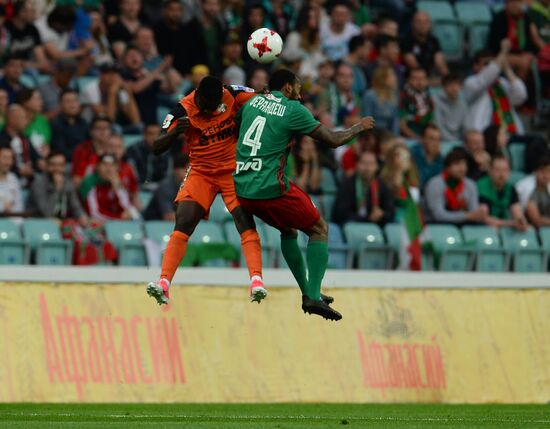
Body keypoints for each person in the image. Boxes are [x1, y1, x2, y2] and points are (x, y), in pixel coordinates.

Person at [233, 69, 375, 321]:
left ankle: (310, 292)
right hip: (270, 187)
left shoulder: (252, 102)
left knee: (288, 230)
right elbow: (332, 139)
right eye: (298, 87)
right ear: (287, 87)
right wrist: (358, 127)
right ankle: (312, 295)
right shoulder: (292, 109)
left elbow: (237, 130)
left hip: (243, 189)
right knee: (319, 228)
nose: (300, 92)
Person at [146, 76, 264, 306]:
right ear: (198, 95)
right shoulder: (181, 109)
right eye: (207, 106)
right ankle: (164, 283)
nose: (211, 110)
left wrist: (270, 95)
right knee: (184, 221)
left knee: (244, 220)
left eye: (215, 106)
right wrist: (173, 133)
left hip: (232, 170)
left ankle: (256, 281)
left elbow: (262, 99)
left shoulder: (233, 93)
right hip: (202, 173)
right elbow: (157, 147)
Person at [463, 42, 527, 134]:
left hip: (508, 132)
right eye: (486, 64)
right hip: (481, 135)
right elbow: (487, 76)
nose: (490, 66)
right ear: (475, 66)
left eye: (492, 63)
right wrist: (503, 51)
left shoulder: (502, 83)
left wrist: (507, 68)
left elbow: (521, 95)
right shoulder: (470, 82)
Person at [423, 148, 487, 225]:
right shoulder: (435, 184)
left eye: (464, 164)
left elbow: (474, 213)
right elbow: (438, 215)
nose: (462, 168)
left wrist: (480, 212)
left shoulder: (470, 185)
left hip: (462, 227)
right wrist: (466, 216)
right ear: (447, 168)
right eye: (457, 164)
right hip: (437, 226)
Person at [333, 151, 394, 225]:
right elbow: (340, 213)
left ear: (377, 167)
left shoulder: (381, 186)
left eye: (371, 164)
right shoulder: (347, 184)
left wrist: (382, 214)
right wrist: (367, 219)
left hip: (375, 228)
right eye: (363, 163)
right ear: (357, 165)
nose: (367, 167)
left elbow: (391, 211)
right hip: (353, 227)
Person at [27, 152, 87, 225]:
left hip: (60, 223)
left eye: (60, 165)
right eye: (53, 165)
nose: (57, 168)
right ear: (46, 166)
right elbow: (46, 212)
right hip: (39, 223)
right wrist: (57, 188)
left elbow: (75, 206)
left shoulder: (67, 182)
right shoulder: (38, 183)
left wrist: (82, 216)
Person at [154, 0, 208, 76]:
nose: (175, 13)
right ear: (165, 11)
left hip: (189, 75)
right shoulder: (156, 30)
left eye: (178, 10)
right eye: (172, 10)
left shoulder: (188, 31)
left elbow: (196, 54)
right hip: (166, 74)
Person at [80, 62, 141, 129]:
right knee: (115, 128)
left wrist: (129, 93)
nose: (114, 77)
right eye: (110, 73)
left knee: (139, 127)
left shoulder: (119, 89)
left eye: (116, 73)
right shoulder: (91, 89)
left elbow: (136, 121)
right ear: (101, 75)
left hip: (111, 127)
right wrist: (112, 93)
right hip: (90, 127)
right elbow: (108, 122)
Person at [487, 0, 537, 80]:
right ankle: (518, 89)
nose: (515, 5)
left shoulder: (525, 18)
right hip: (501, 54)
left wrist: (529, 54)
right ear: (506, 4)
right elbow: (494, 44)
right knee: (523, 63)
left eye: (518, 2)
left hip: (521, 53)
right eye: (512, 2)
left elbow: (530, 42)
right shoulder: (499, 18)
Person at [79, 154, 136, 221]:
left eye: (112, 165)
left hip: (115, 222)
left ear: (117, 168)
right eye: (105, 165)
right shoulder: (90, 183)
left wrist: (118, 188)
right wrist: (118, 218)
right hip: (94, 223)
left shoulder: (117, 181)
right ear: (97, 167)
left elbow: (127, 208)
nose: (109, 169)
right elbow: (94, 213)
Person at [477, 155, 528, 230]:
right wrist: (510, 223)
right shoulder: (481, 186)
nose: (501, 174)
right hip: (483, 228)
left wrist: (521, 221)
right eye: (497, 170)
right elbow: (483, 218)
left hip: (504, 228)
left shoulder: (511, 189)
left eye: (505, 170)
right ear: (490, 171)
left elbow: (517, 212)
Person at [401, 11, 449, 79]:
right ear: (412, 24)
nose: (422, 25)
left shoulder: (433, 40)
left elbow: (440, 63)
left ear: (430, 24)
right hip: (411, 79)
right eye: (419, 22)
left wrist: (448, 79)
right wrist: (426, 81)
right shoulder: (406, 40)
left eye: (426, 22)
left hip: (428, 78)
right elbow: (414, 66)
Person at [0, 104, 40, 184]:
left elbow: (36, 157)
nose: (26, 121)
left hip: (29, 181)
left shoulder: (25, 138)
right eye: (23, 118)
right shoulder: (2, 140)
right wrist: (19, 171)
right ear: (12, 119)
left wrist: (40, 161)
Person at [380, 142, 420, 221]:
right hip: (391, 220)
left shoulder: (412, 181)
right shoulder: (384, 180)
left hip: (409, 221)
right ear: (393, 159)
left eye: (407, 158)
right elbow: (392, 201)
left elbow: (414, 204)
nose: (405, 160)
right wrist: (398, 171)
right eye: (401, 156)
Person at [144, 154, 189, 221]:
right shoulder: (165, 187)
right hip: (155, 226)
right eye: (187, 169)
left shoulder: (187, 186)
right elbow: (169, 217)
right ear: (176, 170)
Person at [316, 62, 362, 127]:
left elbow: (358, 119)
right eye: (342, 76)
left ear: (353, 79)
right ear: (336, 77)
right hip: (329, 132)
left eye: (349, 76)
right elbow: (322, 115)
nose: (346, 80)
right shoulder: (326, 93)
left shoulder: (356, 97)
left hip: (348, 133)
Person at [126, 123, 171, 189]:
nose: (154, 137)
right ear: (144, 135)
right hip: (138, 187)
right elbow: (131, 174)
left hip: (159, 189)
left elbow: (167, 176)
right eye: (150, 134)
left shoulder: (165, 151)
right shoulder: (133, 150)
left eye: (157, 134)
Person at [71, 116, 112, 187]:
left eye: (106, 128)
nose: (103, 132)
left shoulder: (115, 149)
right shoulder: (82, 150)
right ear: (91, 131)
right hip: (88, 190)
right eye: (98, 128)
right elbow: (76, 179)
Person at [49, 89, 88, 161]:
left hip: (84, 161)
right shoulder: (56, 125)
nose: (72, 104)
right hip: (67, 162)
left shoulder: (84, 123)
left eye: (75, 101)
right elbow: (60, 150)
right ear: (60, 104)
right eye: (68, 101)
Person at [362, 65, 399, 135]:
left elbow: (395, 122)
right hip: (373, 134)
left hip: (388, 134)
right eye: (391, 75)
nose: (395, 78)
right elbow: (366, 120)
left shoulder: (394, 96)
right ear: (382, 79)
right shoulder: (370, 95)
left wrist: (395, 137)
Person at [399, 67, 433, 139]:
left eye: (423, 79)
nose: (420, 82)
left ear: (427, 81)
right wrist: (417, 138)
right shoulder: (403, 98)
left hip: (425, 139)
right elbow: (402, 126)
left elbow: (431, 122)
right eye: (416, 79)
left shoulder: (429, 98)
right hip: (407, 140)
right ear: (409, 80)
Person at [433, 73, 468, 141]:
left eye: (457, 84)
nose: (454, 88)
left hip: (458, 140)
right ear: (444, 87)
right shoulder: (435, 101)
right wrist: (454, 141)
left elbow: (466, 127)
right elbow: (438, 126)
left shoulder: (463, 104)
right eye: (450, 84)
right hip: (440, 140)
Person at [17, 89, 51, 157]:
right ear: (25, 102)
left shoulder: (42, 120)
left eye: (41, 99)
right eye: (37, 99)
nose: (41, 102)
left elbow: (46, 143)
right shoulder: (16, 119)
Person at [411, 123, 443, 188]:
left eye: (438, 140)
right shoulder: (412, 154)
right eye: (432, 139)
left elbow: (439, 184)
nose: (436, 143)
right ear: (422, 139)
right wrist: (431, 157)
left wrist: (435, 157)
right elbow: (418, 182)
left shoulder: (440, 159)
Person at [525, 156, 550, 226]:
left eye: (548, 171)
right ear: (535, 172)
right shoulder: (527, 188)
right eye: (542, 171)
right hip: (531, 230)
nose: (546, 175)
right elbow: (536, 220)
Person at [0, 147, 23, 215]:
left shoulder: (14, 179)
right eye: (5, 158)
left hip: (14, 221)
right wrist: (3, 208)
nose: (8, 162)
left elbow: (19, 206)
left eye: (10, 158)